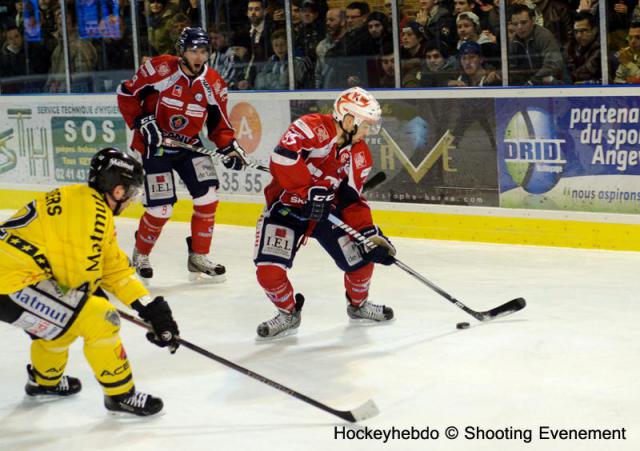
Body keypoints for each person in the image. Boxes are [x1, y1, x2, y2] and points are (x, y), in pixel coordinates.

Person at [0, 147, 180, 416]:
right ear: (117, 190)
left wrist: (150, 307)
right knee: (100, 318)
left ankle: (44, 380)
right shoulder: (93, 214)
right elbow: (77, 279)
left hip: (16, 277)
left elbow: (113, 268)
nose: (131, 199)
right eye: (130, 192)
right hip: (12, 283)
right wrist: (95, 299)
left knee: (64, 320)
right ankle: (121, 395)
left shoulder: (83, 201)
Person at [253, 87, 395, 340]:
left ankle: (358, 305)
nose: (368, 132)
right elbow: (283, 157)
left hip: (325, 213)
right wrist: (308, 191)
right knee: (268, 271)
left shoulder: (360, 154)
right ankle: (288, 313)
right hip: (285, 209)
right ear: (349, 119)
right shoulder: (311, 126)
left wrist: (367, 234)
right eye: (366, 125)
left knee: (362, 260)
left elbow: (352, 200)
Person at [117, 27, 247, 282]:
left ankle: (198, 256)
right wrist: (141, 120)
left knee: (208, 197)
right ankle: (141, 253)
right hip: (156, 146)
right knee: (161, 209)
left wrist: (230, 147)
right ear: (182, 51)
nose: (198, 57)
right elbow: (126, 92)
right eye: (192, 51)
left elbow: (219, 125)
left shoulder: (214, 83)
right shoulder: (161, 69)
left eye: (203, 51)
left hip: (189, 145)